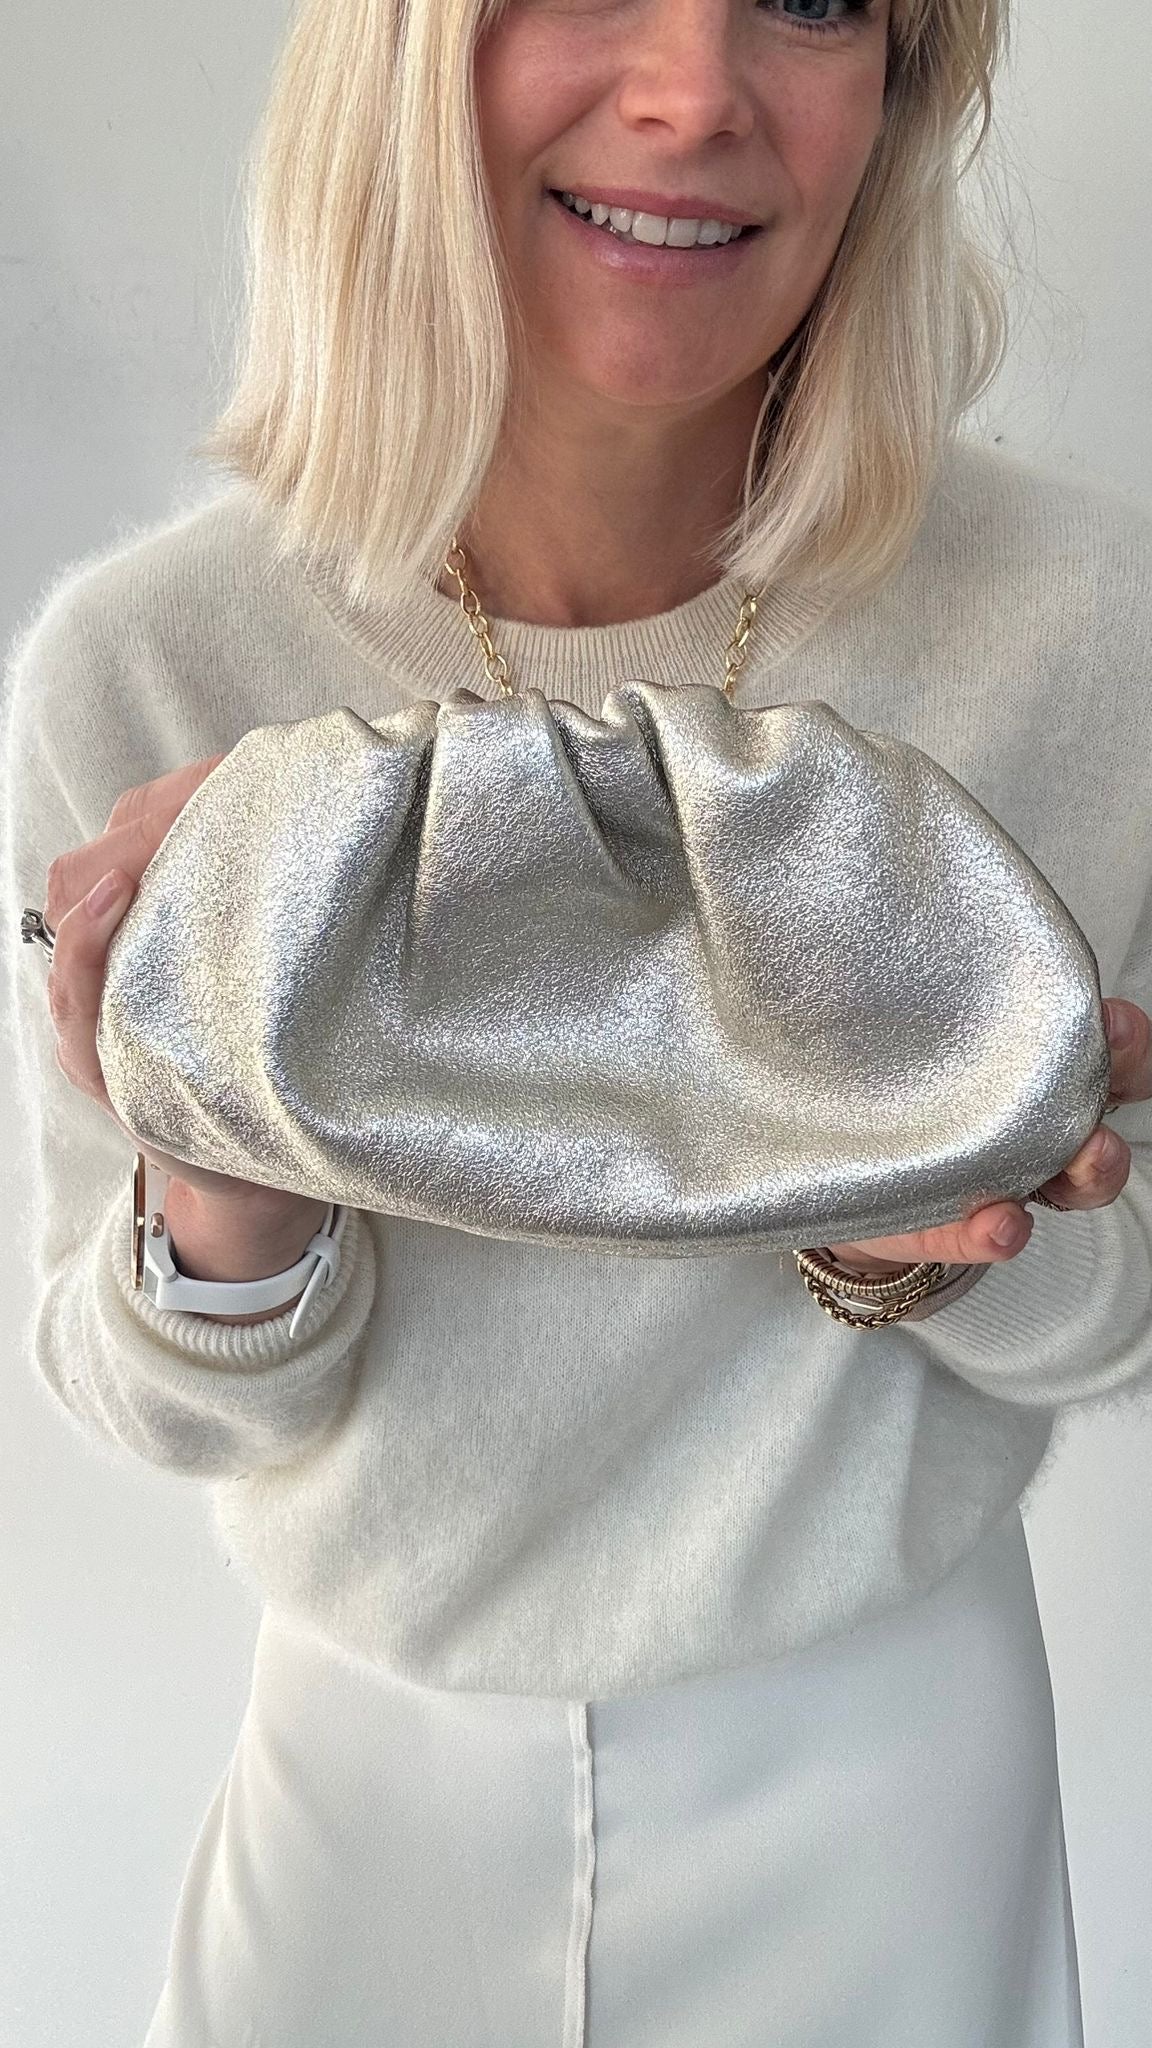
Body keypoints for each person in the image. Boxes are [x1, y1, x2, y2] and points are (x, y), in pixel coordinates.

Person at [4, 0, 1152, 2040]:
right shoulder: (152, 666)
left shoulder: (1088, 627)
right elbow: (150, 1392)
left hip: (885, 1778)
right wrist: (222, 1187)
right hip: (365, 1790)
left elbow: (1124, 1307)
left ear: (906, 81)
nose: (693, 91)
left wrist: (940, 1239)